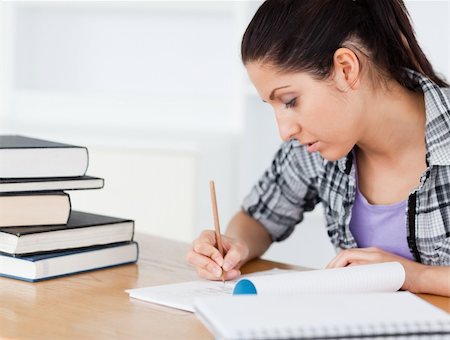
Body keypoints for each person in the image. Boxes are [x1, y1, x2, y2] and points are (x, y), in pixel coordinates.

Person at [186, 0, 450, 296]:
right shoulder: (312, 150)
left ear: (346, 69)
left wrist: (410, 275)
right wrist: (233, 245)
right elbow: (257, 219)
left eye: (289, 101)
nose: (285, 131)